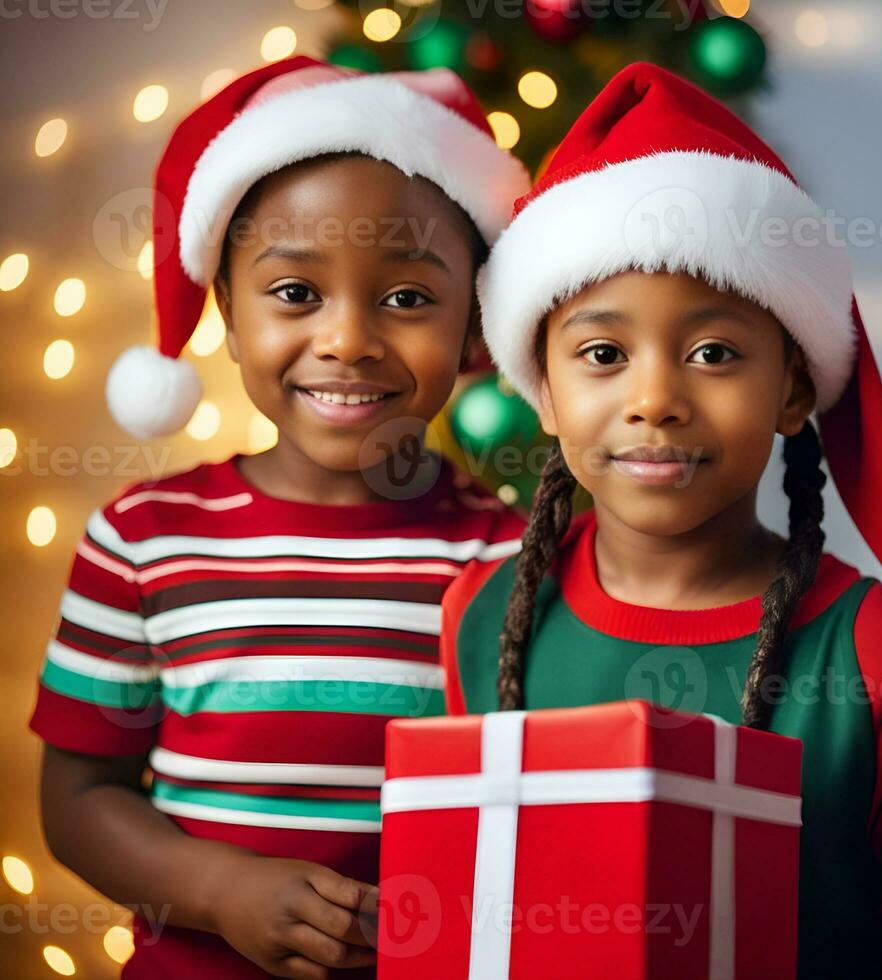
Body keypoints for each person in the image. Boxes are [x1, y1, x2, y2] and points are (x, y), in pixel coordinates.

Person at [442, 63, 882, 978]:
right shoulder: (484, 616)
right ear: (542, 389)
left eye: (714, 352)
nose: (655, 399)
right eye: (603, 353)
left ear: (794, 389)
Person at [29, 57, 529, 979]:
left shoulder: (506, 559)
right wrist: (220, 890)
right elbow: (77, 796)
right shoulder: (142, 539)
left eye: (408, 297)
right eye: (296, 292)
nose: (346, 339)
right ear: (227, 310)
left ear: (473, 330)